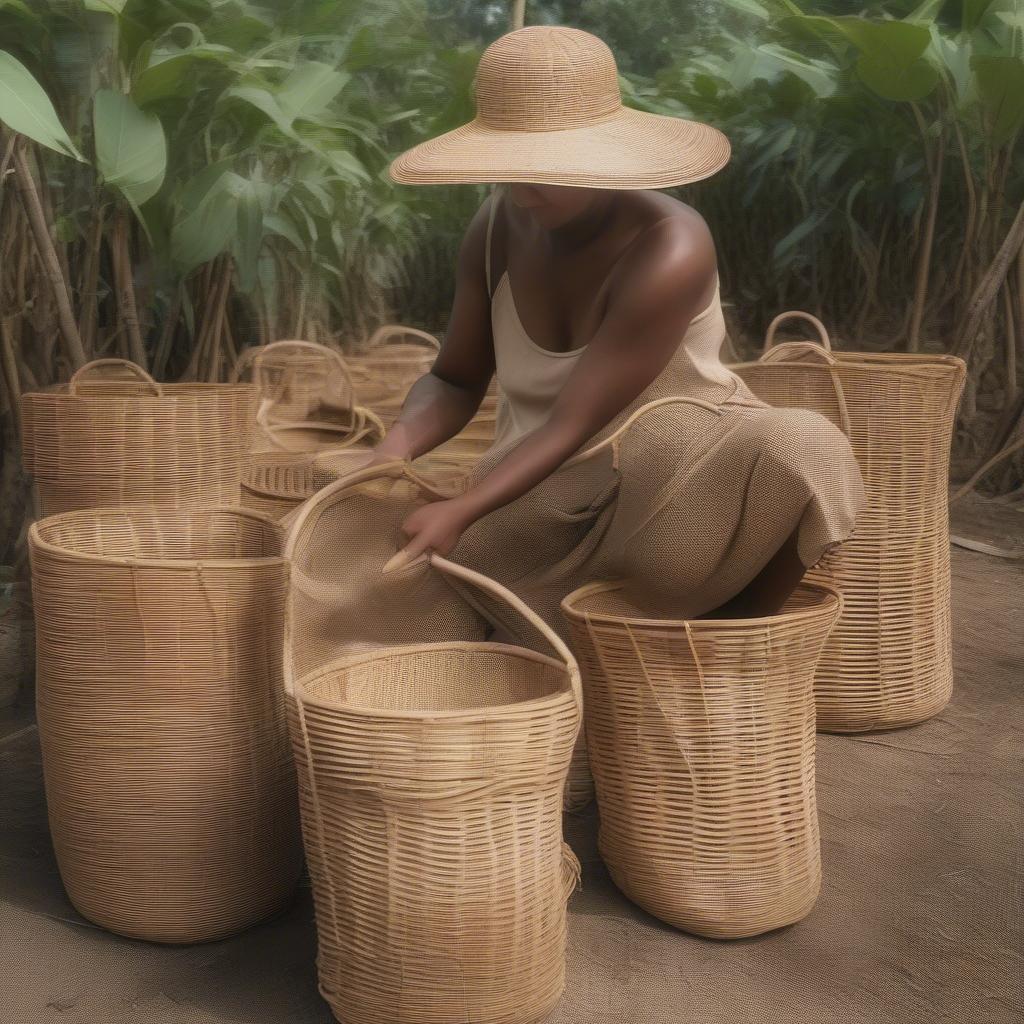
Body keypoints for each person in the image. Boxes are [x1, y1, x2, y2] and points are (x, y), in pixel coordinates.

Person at [365, 25, 863, 624]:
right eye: (510, 168)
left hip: (678, 492)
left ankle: (731, 640)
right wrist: (391, 453)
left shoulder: (670, 245)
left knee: (795, 448)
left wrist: (462, 508)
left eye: (547, 170)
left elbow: (578, 419)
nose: (523, 192)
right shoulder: (495, 229)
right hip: (536, 492)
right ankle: (577, 629)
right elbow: (453, 379)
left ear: (603, 152)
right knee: (400, 588)